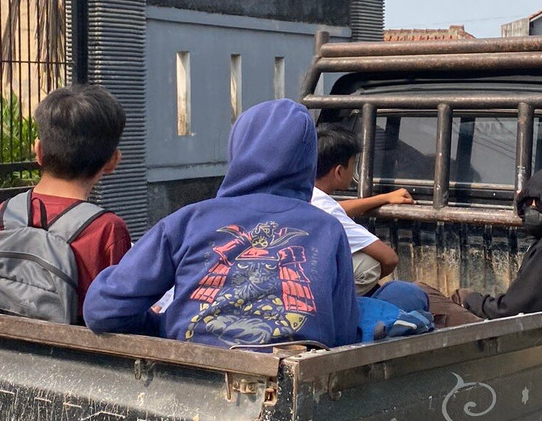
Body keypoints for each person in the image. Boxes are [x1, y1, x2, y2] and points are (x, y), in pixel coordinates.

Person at [83, 99, 358, 349]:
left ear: (238, 149)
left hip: (189, 378)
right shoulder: (328, 229)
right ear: (309, 162)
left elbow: (103, 309)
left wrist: (160, 327)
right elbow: (343, 337)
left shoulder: (189, 221)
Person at [0, 85, 131, 320]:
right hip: (72, 355)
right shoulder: (107, 230)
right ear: (113, 161)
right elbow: (117, 313)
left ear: (38, 151)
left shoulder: (1, 217)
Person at [456, 156, 542, 319]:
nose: (533, 209)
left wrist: (470, 299)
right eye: (528, 202)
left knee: (432, 297)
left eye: (541, 204)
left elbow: (510, 310)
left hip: (535, 334)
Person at [311, 125, 413, 294]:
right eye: (353, 164)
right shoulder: (329, 213)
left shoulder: (306, 195)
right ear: (339, 172)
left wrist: (384, 198)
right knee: (369, 264)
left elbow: (336, 208)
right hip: (316, 297)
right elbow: (389, 258)